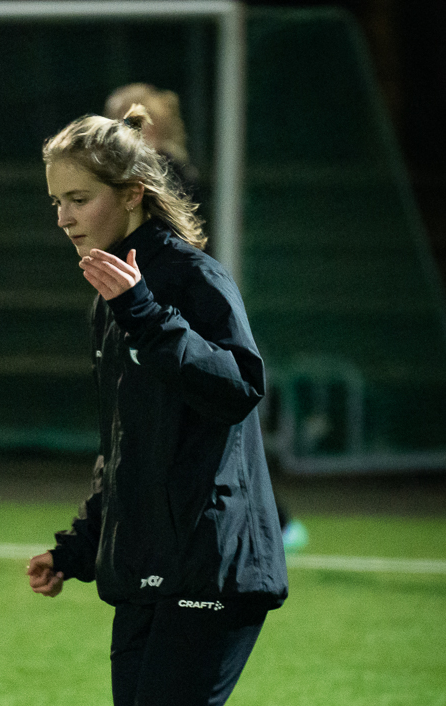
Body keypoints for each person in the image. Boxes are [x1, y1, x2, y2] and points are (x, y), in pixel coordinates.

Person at [27, 106, 358, 706]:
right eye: (55, 201)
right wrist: (78, 546)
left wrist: (141, 309)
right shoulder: (111, 293)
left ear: (132, 194)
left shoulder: (184, 277)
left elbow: (237, 387)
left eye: (79, 198)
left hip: (214, 556)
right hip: (145, 559)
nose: (64, 217)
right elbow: (129, 446)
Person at [103, 82, 309, 553]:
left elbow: (177, 251)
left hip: (177, 317)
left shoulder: (161, 176)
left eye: (123, 119)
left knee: (205, 423)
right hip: (165, 313)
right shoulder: (154, 176)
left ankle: (268, 521)